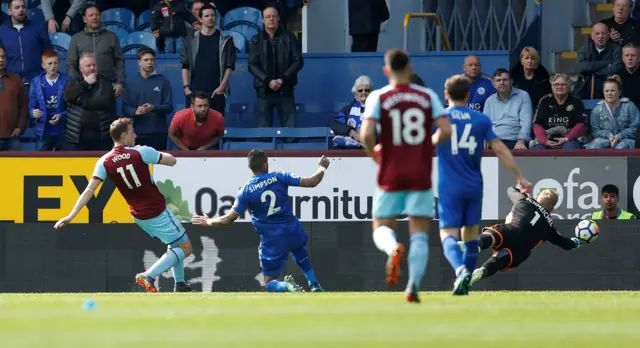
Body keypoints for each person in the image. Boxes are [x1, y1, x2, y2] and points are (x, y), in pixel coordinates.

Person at [53, 118, 194, 293]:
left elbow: (89, 190)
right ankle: (148, 275)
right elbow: (172, 160)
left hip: (138, 215)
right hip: (156, 211)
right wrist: (150, 152)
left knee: (174, 243)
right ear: (124, 136)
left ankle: (180, 284)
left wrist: (71, 216)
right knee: (185, 248)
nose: (135, 135)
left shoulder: (104, 161)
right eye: (132, 132)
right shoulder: (141, 152)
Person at [359, 48, 452, 303]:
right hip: (420, 171)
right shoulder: (427, 96)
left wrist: (374, 154)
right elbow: (445, 130)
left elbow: (366, 135)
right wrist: (427, 142)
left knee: (380, 225)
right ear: (410, 69)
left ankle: (392, 249)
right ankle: (412, 287)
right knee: (419, 231)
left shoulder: (378, 96)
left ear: (386, 71)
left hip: (391, 170)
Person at [437, 74, 531, 296]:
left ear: (446, 94)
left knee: (447, 234)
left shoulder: (440, 118)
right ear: (468, 95)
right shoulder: (480, 120)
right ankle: (465, 284)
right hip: (474, 185)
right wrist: (520, 177)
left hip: (449, 185)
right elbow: (499, 149)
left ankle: (460, 271)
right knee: (470, 235)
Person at [191, 149, 329, 293]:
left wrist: (208, 221)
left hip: (271, 238)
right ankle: (313, 284)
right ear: (265, 163)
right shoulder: (280, 176)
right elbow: (312, 181)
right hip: (292, 229)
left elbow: (228, 219)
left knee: (270, 281)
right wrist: (322, 167)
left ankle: (285, 286)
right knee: (299, 249)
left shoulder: (245, 191)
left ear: (250, 167)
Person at [467, 188, 582, 286]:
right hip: (522, 250)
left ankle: (475, 246)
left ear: (537, 197)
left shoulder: (525, 200)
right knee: (499, 258)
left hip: (512, 230)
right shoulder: (549, 227)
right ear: (552, 208)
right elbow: (564, 243)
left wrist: (523, 192)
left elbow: (510, 190)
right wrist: (575, 242)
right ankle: (482, 271)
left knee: (494, 236)